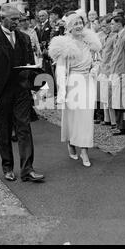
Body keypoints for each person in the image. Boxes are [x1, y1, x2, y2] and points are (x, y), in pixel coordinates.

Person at [0, 4, 44, 182]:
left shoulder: (24, 38)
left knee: (24, 128)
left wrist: (35, 87)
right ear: (3, 19)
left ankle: (28, 169)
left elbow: (31, 66)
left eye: (19, 19)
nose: (18, 22)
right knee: (4, 132)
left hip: (21, 92)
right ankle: (7, 167)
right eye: (14, 19)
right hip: (1, 94)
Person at [48, 13, 102, 167]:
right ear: (69, 27)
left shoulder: (90, 42)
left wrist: (94, 69)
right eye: (75, 23)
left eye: (80, 23)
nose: (79, 26)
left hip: (87, 82)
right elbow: (60, 70)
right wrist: (62, 92)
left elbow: (98, 60)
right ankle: (71, 142)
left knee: (85, 118)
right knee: (71, 117)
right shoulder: (65, 45)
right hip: (72, 84)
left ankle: (84, 150)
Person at [98, 15, 117, 128]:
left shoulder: (114, 37)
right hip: (104, 68)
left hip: (111, 69)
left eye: (104, 26)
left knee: (111, 97)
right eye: (101, 27)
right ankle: (107, 119)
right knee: (104, 96)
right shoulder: (105, 36)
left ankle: (113, 121)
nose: (102, 28)